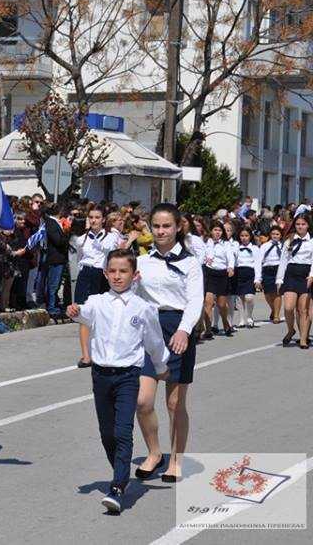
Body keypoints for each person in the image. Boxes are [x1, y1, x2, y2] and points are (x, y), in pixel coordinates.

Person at [67, 249, 169, 514]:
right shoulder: (97, 301)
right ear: (105, 273)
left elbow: (154, 341)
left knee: (123, 431)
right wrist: (74, 310)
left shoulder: (143, 308)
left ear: (135, 275)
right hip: (101, 375)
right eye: (112, 271)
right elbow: (83, 313)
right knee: (107, 433)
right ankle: (120, 470)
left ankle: (118, 487)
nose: (117, 276)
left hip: (128, 376)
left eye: (123, 271)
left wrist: (160, 366)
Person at [134, 203, 204, 483]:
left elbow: (195, 300)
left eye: (167, 226)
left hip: (178, 329)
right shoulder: (141, 262)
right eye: (157, 226)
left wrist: (184, 331)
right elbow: (133, 297)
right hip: (150, 330)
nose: (161, 231)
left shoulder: (190, 263)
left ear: (177, 228)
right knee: (142, 401)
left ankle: (176, 459)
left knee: (175, 403)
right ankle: (154, 453)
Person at [72, 207, 116, 368]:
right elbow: (79, 258)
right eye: (91, 217)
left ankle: (104, 352)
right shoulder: (82, 239)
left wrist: (98, 238)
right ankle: (86, 356)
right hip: (86, 273)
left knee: (103, 314)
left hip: (101, 275)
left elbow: (108, 251)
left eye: (97, 217)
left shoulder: (110, 238)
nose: (94, 220)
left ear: (103, 219)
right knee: (83, 314)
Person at [276, 212, 313, 348]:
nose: (300, 227)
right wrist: (279, 280)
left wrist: (312, 275)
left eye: (303, 224)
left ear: (308, 225)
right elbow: (283, 261)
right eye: (297, 224)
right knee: (288, 307)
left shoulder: (312, 240)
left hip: (306, 275)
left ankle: (303, 339)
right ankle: (291, 329)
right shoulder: (289, 240)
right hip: (291, 274)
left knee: (303, 309)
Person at [203, 220, 235, 336]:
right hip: (209, 273)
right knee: (208, 302)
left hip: (222, 274)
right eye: (215, 230)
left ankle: (226, 323)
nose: (217, 232)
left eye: (220, 230)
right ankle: (208, 329)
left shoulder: (226, 244)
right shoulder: (206, 242)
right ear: (211, 231)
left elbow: (230, 257)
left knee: (221, 304)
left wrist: (230, 267)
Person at [42, 203, 70, 319]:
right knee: (53, 284)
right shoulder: (51, 223)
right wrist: (67, 233)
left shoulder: (55, 222)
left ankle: (54, 305)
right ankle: (51, 307)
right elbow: (58, 240)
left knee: (56, 284)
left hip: (60, 258)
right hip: (55, 258)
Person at [232, 227, 262, 328]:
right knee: (240, 298)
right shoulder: (236, 247)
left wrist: (258, 279)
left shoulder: (255, 248)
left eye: (246, 236)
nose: (244, 238)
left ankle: (249, 316)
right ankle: (241, 319)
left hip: (250, 273)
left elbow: (258, 264)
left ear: (250, 237)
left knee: (249, 297)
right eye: (242, 236)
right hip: (238, 272)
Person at [258, 224, 283, 324]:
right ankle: (273, 309)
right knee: (268, 294)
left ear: (280, 235)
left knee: (277, 293)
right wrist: (258, 277)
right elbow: (259, 260)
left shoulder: (283, 246)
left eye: (277, 234)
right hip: (267, 269)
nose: (275, 236)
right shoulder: (265, 246)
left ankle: (276, 315)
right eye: (273, 234)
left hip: (278, 269)